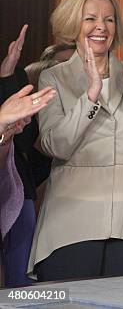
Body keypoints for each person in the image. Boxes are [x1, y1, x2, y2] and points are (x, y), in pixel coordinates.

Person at [28, 0, 123, 281]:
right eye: (90, 18)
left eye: (109, 19)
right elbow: (56, 145)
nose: (100, 27)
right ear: (73, 24)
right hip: (72, 217)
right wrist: (90, 95)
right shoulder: (54, 77)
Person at [0, 25, 54, 287]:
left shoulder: (16, 78)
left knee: (19, 283)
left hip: (16, 189)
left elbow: (23, 137)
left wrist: (8, 75)